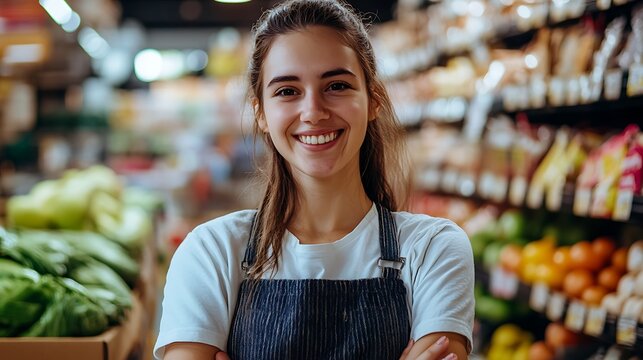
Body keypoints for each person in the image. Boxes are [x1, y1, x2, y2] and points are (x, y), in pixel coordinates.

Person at [154, 1, 474, 359]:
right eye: (287, 91)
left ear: (374, 100)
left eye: (336, 85)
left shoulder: (433, 250)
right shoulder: (211, 252)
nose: (313, 112)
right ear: (261, 112)